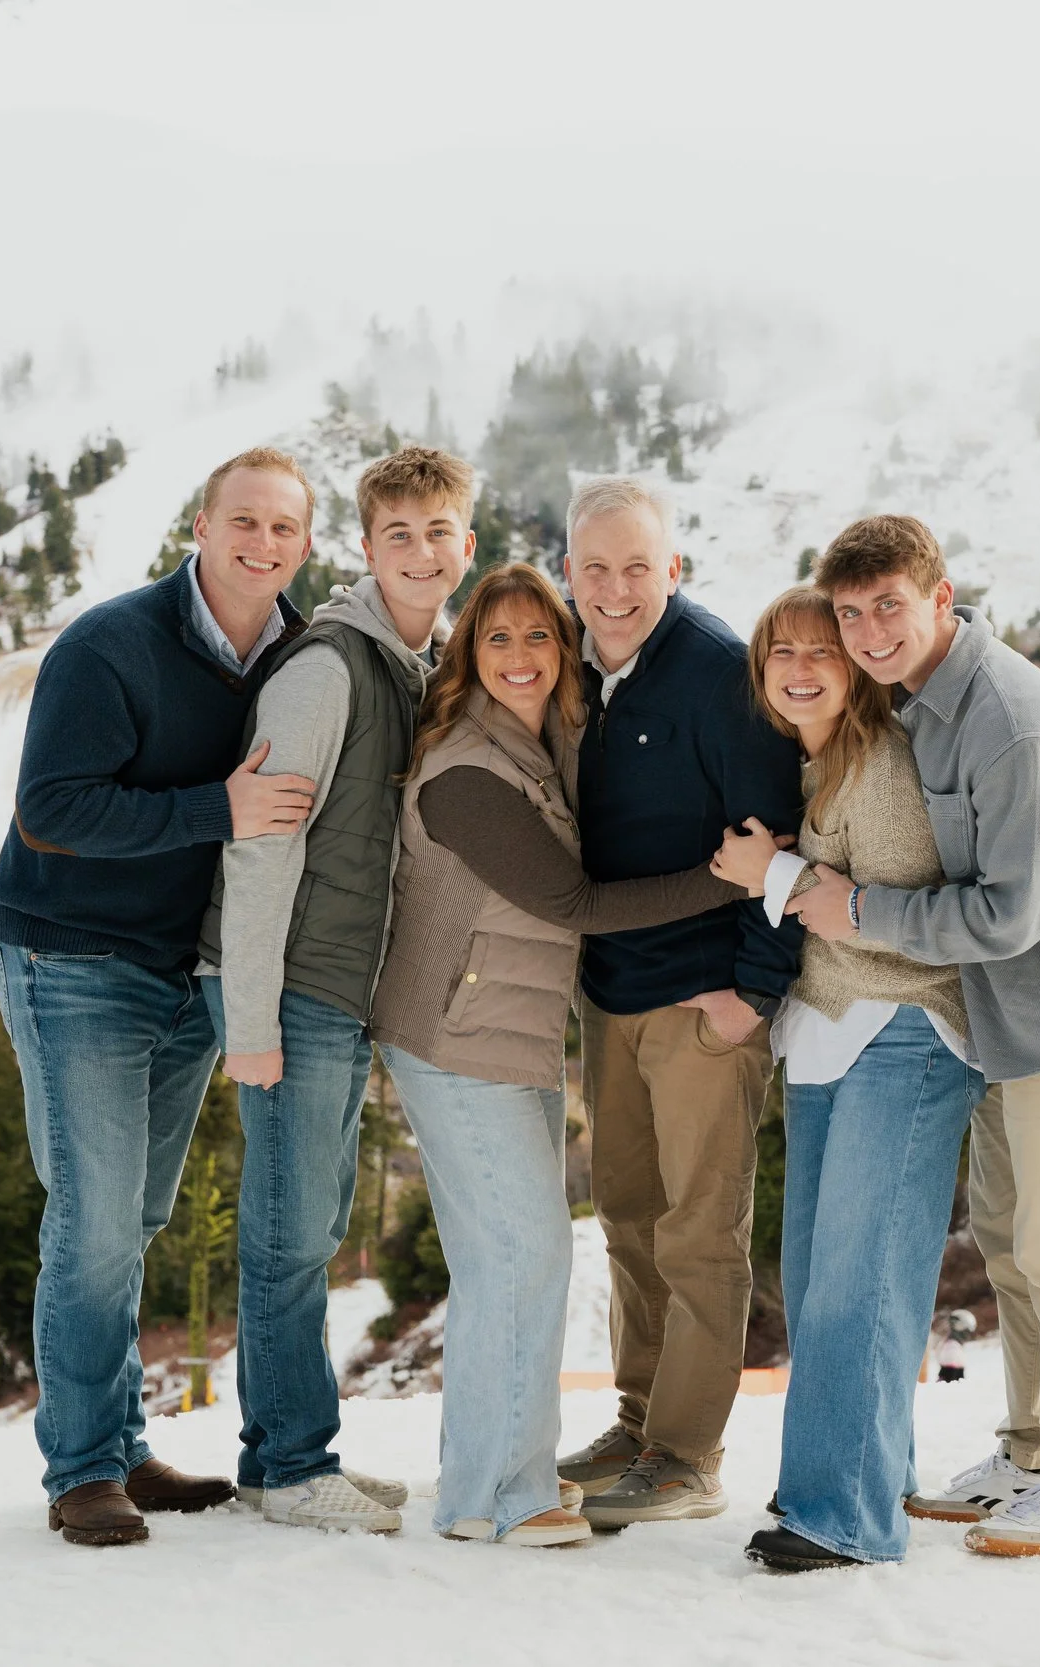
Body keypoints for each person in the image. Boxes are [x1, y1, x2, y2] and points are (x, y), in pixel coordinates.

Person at [785, 515, 1040, 1559]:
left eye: (890, 607)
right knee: (1011, 1246)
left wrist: (857, 911)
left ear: (940, 599)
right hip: (1007, 1020)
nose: (868, 633)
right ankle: (1031, 1449)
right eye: (851, 612)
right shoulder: (922, 700)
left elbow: (1009, 913)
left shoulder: (1009, 718)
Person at [370, 562, 744, 1548]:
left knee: (498, 1266)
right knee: (529, 1258)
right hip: (455, 1043)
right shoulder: (467, 772)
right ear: (469, 654)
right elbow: (571, 903)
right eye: (497, 637)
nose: (522, 655)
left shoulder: (539, 749)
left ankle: (472, 1490)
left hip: (508, 1040)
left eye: (540, 635)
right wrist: (732, 879)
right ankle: (510, 1491)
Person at [0, 445, 321, 1547]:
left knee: (131, 1215)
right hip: (72, 957)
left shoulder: (296, 651)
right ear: (201, 522)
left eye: (284, 527)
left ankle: (122, 1445)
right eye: (244, 520)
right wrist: (214, 810)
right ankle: (80, 1468)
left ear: (304, 544)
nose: (262, 542)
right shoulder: (111, 643)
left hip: (184, 969)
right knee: (90, 1221)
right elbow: (53, 809)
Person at [197, 446, 475, 1534]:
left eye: (437, 532)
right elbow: (259, 851)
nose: (418, 552)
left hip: (337, 989)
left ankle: (280, 1459)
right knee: (288, 1230)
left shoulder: (421, 666)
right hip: (290, 987)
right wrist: (254, 1023)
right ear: (365, 549)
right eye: (395, 534)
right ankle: (294, 1462)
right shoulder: (327, 669)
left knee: (300, 1220)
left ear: (466, 546)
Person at [708, 586, 986, 1572]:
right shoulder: (811, 763)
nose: (800, 667)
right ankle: (852, 1475)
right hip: (826, 1036)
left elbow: (902, 907)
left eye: (822, 649)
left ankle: (843, 1516)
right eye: (779, 651)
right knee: (821, 1278)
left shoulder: (883, 761)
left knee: (859, 1281)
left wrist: (770, 876)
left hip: (902, 1034)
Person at [552, 477, 805, 1527]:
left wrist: (753, 988)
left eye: (636, 568)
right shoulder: (571, 669)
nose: (615, 589)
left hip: (705, 1000)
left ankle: (688, 1452)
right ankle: (639, 1414)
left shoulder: (717, 674)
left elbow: (779, 833)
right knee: (625, 1213)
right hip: (610, 994)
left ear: (674, 568)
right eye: (595, 568)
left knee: (701, 1228)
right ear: (570, 571)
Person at [935, 1312, 975, 1383]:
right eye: (967, 1331)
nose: (968, 1335)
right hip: (950, 1387)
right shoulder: (952, 1346)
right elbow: (950, 1376)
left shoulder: (951, 1344)